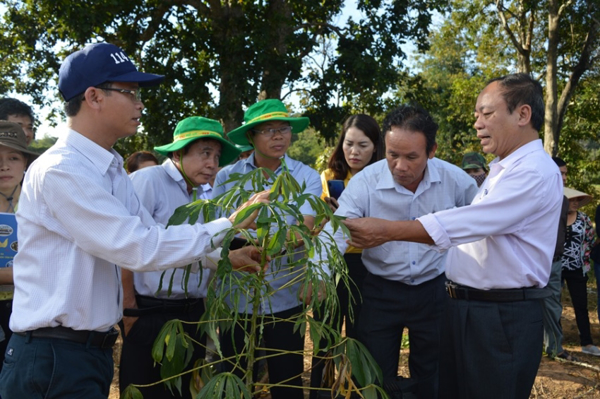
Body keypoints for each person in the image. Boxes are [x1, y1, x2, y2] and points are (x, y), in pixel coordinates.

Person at [0, 42, 268, 399]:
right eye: (130, 92)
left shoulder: (110, 169)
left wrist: (222, 257)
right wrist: (229, 225)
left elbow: (152, 234)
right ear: (94, 97)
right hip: (52, 354)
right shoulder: (62, 170)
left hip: (85, 351)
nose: (140, 103)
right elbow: (135, 246)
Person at [342, 73, 563, 398]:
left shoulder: (532, 172)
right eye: (476, 115)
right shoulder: (502, 170)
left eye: (486, 114)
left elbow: (473, 221)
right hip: (465, 306)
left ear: (523, 114)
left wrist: (387, 230)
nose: (477, 124)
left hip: (500, 315)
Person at [312, 105, 477, 398]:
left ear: (432, 150)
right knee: (374, 375)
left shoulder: (456, 181)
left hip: (434, 290)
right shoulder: (366, 182)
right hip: (379, 291)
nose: (400, 166)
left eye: (412, 157)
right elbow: (337, 230)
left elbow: (480, 220)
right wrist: (319, 275)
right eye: (392, 155)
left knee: (434, 372)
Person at [119, 116, 241, 398]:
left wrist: (232, 259)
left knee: (183, 391)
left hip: (191, 312)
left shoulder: (200, 195)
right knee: (146, 387)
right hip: (150, 311)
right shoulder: (148, 181)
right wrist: (128, 308)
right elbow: (125, 244)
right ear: (177, 153)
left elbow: (199, 249)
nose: (212, 164)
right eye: (205, 154)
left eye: (217, 156)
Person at [213, 99, 322, 399]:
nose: (278, 136)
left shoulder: (306, 176)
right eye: (269, 130)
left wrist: (266, 243)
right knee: (234, 380)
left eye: (284, 129)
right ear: (251, 137)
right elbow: (220, 230)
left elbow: (306, 225)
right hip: (237, 297)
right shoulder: (227, 176)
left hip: (285, 297)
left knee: (287, 381)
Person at [310, 114, 384, 398]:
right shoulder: (329, 177)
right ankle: (319, 392)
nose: (354, 152)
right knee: (325, 335)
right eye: (349, 144)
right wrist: (328, 215)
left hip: (367, 264)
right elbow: (314, 227)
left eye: (363, 145)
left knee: (361, 336)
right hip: (331, 262)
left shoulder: (383, 178)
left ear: (375, 146)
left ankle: (357, 392)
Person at [0, 121, 38, 375]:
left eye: (13, 157)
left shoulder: (39, 202)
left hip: (30, 309)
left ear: (25, 162)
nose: (4, 166)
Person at [541, 156, 573, 360]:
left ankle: (554, 347)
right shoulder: (537, 195)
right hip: (533, 262)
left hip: (555, 261)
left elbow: (562, 229)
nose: (563, 178)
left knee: (553, 305)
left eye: (565, 174)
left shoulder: (564, 200)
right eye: (559, 173)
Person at [561, 187, 600, 356]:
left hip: (578, 268)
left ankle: (587, 342)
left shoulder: (584, 219)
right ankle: (555, 340)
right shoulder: (554, 217)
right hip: (556, 268)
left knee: (581, 305)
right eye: (571, 200)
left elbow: (591, 240)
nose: (575, 203)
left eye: (577, 200)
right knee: (553, 305)